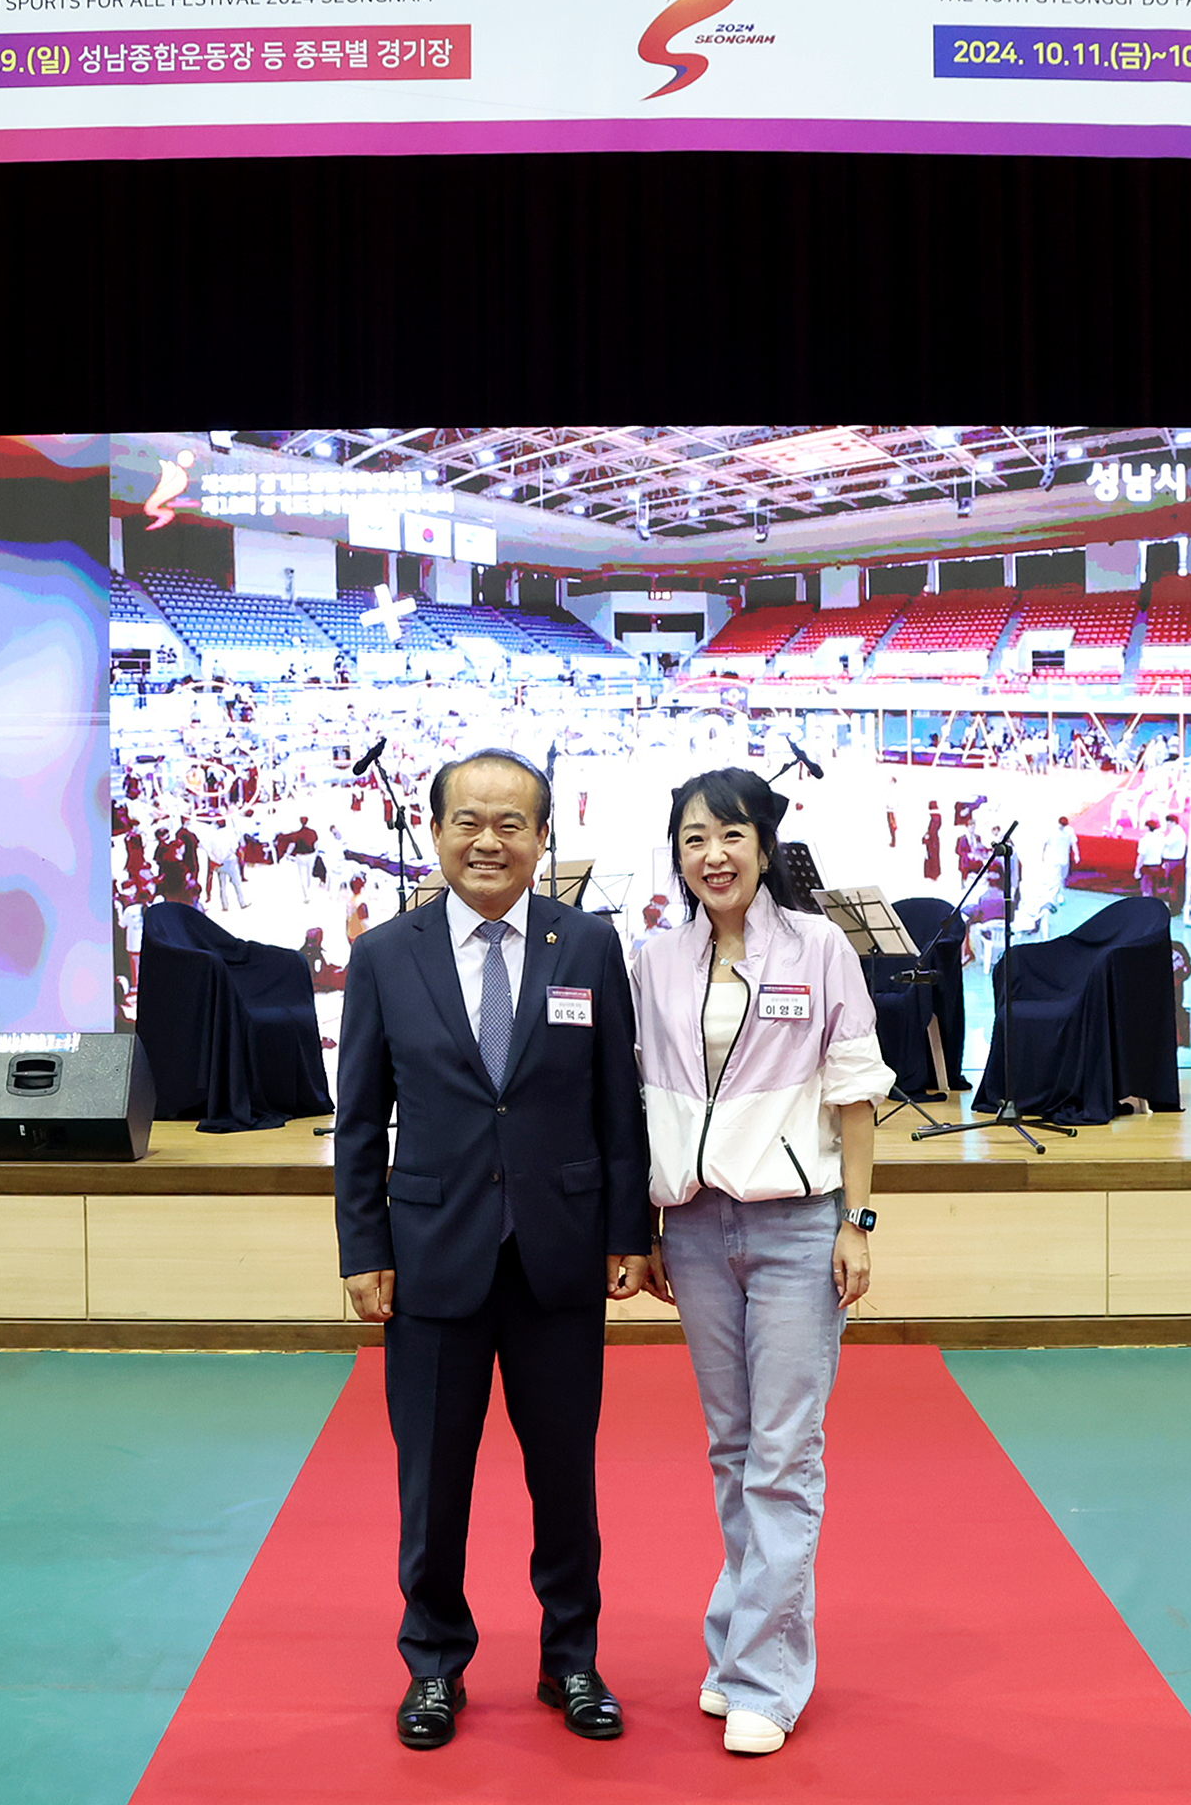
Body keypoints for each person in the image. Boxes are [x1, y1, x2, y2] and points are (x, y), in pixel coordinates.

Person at [333, 748, 652, 1753]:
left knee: (565, 1475)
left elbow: (616, 1102)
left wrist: (626, 1233)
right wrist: (361, 1247)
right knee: (434, 1477)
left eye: (512, 823)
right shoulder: (388, 954)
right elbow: (357, 1121)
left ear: (541, 839)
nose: (489, 839)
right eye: (468, 820)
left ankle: (572, 1658)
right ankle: (434, 1663)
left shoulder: (588, 944)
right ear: (435, 834)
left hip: (560, 1256)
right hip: (431, 1256)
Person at [630, 767, 894, 1758]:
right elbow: (643, 1098)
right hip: (696, 1232)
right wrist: (646, 1230)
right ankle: (740, 1643)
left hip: (795, 1227)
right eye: (695, 837)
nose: (715, 855)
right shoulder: (656, 960)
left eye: (732, 834)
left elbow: (856, 1093)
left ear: (763, 844)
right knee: (733, 1452)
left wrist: (857, 1220)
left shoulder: (819, 946)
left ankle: (766, 1680)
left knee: (785, 1456)